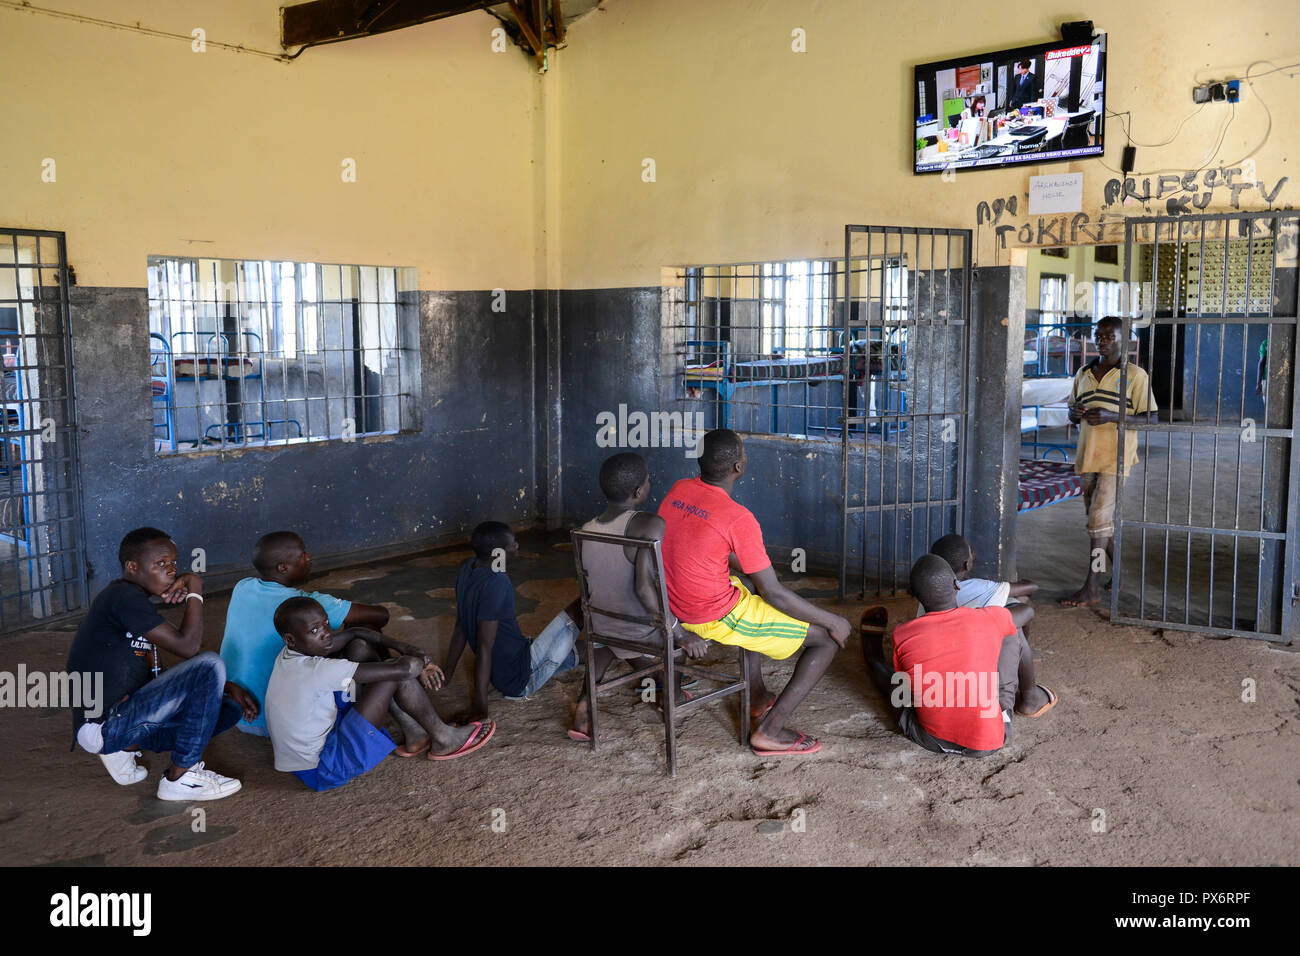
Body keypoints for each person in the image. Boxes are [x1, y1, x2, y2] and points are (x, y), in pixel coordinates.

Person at [658, 429, 850, 757]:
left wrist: (746, 562)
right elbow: (775, 593)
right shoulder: (738, 518)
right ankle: (770, 731)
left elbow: (696, 545)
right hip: (707, 615)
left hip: (671, 601)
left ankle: (758, 694)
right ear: (739, 467)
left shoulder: (679, 490)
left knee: (748, 588)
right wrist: (833, 620)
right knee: (825, 639)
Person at [66, 527, 256, 800]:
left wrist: (225, 687)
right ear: (132, 566)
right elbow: (189, 647)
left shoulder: (134, 604)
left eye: (173, 564)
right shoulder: (122, 597)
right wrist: (196, 590)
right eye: (160, 564)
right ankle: (181, 777)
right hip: (103, 724)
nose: (171, 571)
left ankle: (126, 748)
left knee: (229, 708)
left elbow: (162, 676)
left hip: (121, 721)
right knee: (210, 664)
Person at [221, 531, 423, 747]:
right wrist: (333, 611)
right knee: (364, 630)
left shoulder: (242, 586)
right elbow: (381, 615)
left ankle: (391, 693)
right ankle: (392, 694)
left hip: (239, 714)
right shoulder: (303, 605)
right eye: (302, 555)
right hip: (288, 724)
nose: (309, 557)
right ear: (282, 568)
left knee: (324, 640)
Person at [266, 597, 493, 791]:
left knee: (359, 648)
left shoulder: (290, 653)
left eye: (325, 623)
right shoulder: (316, 670)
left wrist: (404, 648)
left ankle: (416, 735)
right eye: (315, 630)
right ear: (290, 639)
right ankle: (444, 738)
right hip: (324, 767)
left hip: (304, 759)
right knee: (391, 674)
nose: (326, 633)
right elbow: (405, 669)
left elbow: (356, 632)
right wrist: (423, 662)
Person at [569, 452, 711, 741]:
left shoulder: (586, 530)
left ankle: (584, 707)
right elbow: (644, 588)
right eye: (647, 481)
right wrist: (679, 632)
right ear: (639, 491)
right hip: (640, 631)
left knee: (604, 646)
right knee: (677, 641)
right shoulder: (649, 524)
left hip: (601, 626)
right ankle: (670, 699)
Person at [860, 554, 1056, 758]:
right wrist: (1003, 609)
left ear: (914, 595)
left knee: (899, 687)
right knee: (1011, 632)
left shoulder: (902, 633)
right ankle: (1029, 696)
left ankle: (875, 661)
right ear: (956, 585)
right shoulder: (986, 618)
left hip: (929, 737)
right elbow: (1027, 612)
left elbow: (904, 686)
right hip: (987, 743)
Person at [1061, 316, 1157, 607]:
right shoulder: (1083, 373)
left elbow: (1151, 418)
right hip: (1088, 456)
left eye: (1109, 337)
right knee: (1099, 523)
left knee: (1099, 521)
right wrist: (1075, 414)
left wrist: (1112, 416)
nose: (1102, 341)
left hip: (1115, 458)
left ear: (1124, 340)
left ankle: (1092, 586)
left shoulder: (1135, 376)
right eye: (1098, 336)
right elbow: (1070, 412)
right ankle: (1122, 572)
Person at [445, 522, 583, 723]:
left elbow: (460, 628)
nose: (517, 546)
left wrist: (447, 675)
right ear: (498, 553)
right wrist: (480, 707)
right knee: (580, 606)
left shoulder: (468, 569)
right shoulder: (497, 582)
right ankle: (622, 649)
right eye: (513, 544)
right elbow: (485, 647)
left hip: (510, 665)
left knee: (585, 650)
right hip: (522, 677)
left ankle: (606, 651)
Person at [918, 533, 1037, 615]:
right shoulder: (979, 587)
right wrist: (1021, 581)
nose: (972, 552)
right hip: (969, 635)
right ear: (967, 565)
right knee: (1023, 603)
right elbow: (1032, 587)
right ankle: (1022, 650)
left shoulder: (931, 587)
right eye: (970, 551)